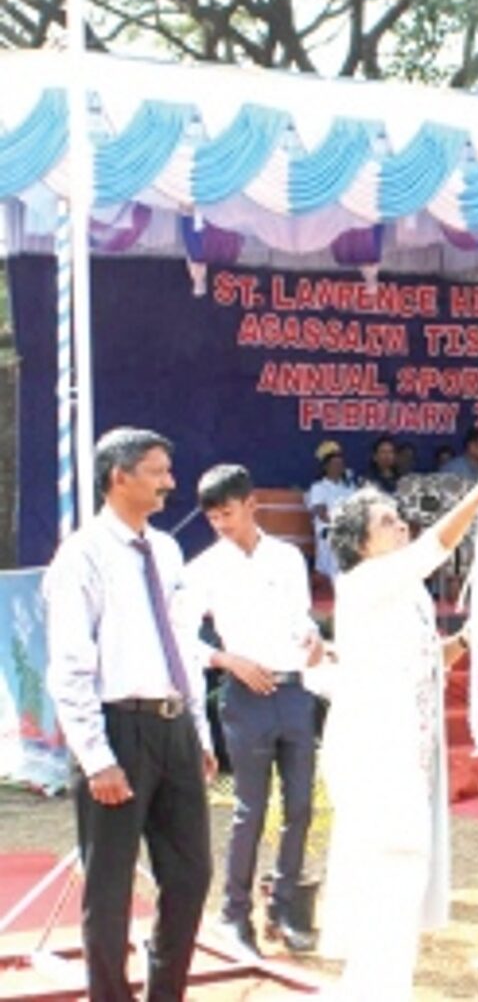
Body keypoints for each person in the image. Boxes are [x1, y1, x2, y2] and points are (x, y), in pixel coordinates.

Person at [319, 459, 478, 1000]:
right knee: (388, 866)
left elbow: (428, 663)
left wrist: (465, 641)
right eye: (386, 522)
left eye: (398, 519)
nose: (400, 526)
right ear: (360, 543)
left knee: (405, 872)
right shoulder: (364, 582)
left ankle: (380, 986)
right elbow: (435, 544)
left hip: (408, 745)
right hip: (372, 746)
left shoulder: (409, 594)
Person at [44, 427, 214, 1002]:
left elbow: (184, 646)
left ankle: (166, 992)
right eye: (157, 470)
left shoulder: (164, 550)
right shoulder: (82, 555)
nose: (170, 482)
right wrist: (96, 758)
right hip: (116, 728)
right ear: (119, 476)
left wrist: (198, 730)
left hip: (174, 727)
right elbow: (69, 665)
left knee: (190, 875)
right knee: (111, 889)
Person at [185, 464, 323, 958]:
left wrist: (312, 636)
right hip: (244, 693)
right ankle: (233, 912)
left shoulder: (286, 558)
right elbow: (182, 636)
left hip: (293, 688)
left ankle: (284, 906)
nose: (221, 524)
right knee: (251, 809)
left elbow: (301, 616)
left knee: (301, 805)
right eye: (213, 517)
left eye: (228, 513)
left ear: (251, 505)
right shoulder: (203, 567)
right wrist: (227, 659)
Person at [305, 441, 355, 578]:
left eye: (340, 464)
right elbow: (322, 514)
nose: (338, 468)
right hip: (329, 534)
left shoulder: (349, 489)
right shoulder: (318, 487)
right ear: (326, 467)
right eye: (334, 464)